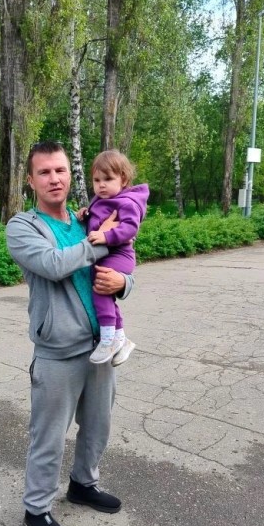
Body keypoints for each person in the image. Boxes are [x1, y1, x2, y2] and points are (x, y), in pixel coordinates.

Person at [5, 141, 134, 526]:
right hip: (58, 351)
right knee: (48, 436)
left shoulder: (86, 218)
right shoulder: (22, 227)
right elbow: (54, 265)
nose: (54, 179)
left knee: (98, 426)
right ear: (31, 180)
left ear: (69, 174)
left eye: (60, 170)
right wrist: (103, 239)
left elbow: (122, 259)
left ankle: (83, 484)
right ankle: (36, 509)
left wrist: (124, 283)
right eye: (44, 172)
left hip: (100, 346)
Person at [77, 149, 149, 365]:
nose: (101, 185)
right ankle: (120, 338)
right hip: (108, 254)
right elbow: (96, 222)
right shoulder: (101, 200)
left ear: (123, 179)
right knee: (106, 295)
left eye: (108, 179)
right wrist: (85, 216)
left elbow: (130, 229)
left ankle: (107, 339)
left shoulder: (126, 202)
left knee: (100, 288)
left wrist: (106, 235)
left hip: (120, 254)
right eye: (97, 180)